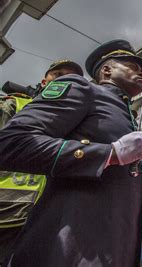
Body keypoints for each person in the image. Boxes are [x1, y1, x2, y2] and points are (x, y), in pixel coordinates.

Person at [0, 39, 142, 266]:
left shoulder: (128, 117)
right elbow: (12, 142)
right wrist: (108, 154)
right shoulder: (82, 89)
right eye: (131, 66)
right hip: (71, 249)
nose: (141, 72)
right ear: (107, 70)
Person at [0, 59, 84, 264]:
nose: (64, 80)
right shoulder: (15, 104)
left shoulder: (79, 122)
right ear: (44, 82)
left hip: (46, 219)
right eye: (58, 74)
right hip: (6, 215)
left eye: (71, 78)